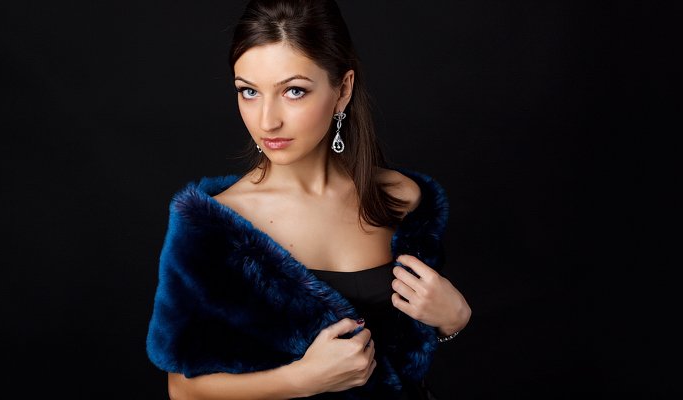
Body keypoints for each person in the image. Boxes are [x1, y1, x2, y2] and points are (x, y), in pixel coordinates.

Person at [145, 0, 471, 398]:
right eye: (249, 91)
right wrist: (301, 380)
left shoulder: (402, 198)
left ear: (343, 90)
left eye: (293, 91)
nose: (267, 121)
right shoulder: (214, 225)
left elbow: (411, 354)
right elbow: (182, 389)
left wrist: (454, 321)